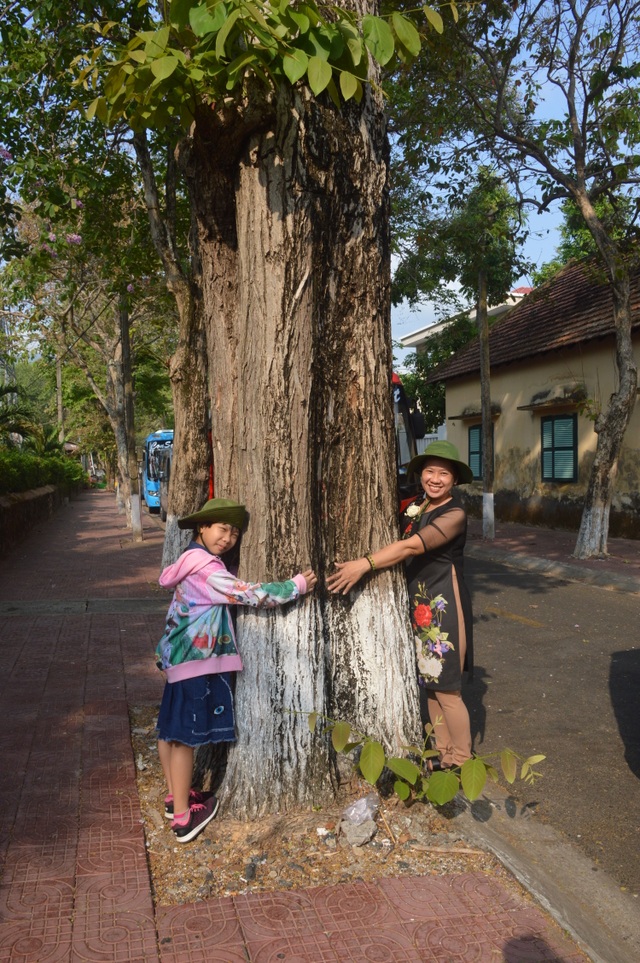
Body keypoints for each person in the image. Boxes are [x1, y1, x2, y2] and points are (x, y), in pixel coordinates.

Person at [156, 497, 317, 843]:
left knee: (169, 731)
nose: (228, 538)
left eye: (235, 532)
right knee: (185, 738)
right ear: (202, 527)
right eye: (222, 528)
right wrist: (296, 586)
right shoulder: (209, 569)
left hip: (176, 658)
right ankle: (183, 819)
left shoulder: (188, 560)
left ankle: (174, 798)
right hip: (196, 661)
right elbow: (249, 594)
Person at [326, 440, 474, 770]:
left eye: (444, 474)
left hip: (442, 606)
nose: (435, 479)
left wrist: (363, 564)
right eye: (430, 472)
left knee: (447, 689)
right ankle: (442, 753)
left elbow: (410, 547)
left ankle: (463, 760)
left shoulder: (454, 514)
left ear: (454, 480)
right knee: (430, 686)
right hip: (420, 605)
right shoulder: (418, 506)